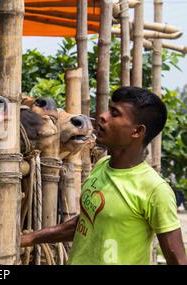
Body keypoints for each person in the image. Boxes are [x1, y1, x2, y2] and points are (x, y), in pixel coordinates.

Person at [21, 86, 187, 265]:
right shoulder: (101, 166)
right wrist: (28, 238)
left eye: (114, 113)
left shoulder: (155, 190)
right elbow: (89, 221)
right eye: (109, 109)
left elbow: (176, 258)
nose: (103, 116)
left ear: (137, 131)